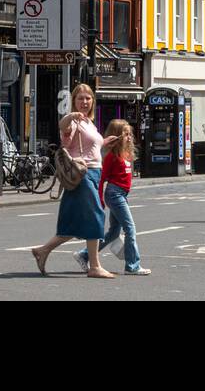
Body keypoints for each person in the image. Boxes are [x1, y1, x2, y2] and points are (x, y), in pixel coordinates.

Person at [30, 83, 121, 279]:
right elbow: (63, 126)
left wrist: (105, 142)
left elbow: (91, 148)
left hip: (94, 173)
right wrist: (71, 116)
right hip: (82, 175)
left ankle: (43, 250)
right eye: (80, 98)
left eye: (88, 98)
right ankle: (95, 266)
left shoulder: (90, 123)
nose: (85, 102)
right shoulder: (74, 121)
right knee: (97, 215)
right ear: (74, 101)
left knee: (72, 222)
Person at [75, 119, 149, 276]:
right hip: (114, 194)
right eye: (125, 134)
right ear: (116, 136)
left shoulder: (127, 154)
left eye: (130, 134)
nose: (129, 138)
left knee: (114, 233)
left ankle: (84, 254)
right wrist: (101, 199)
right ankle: (132, 266)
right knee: (130, 228)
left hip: (121, 194)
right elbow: (102, 179)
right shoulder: (111, 157)